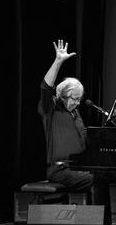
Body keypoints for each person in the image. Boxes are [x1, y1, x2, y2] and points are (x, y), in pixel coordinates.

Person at [38, 39, 98, 202]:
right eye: (75, 99)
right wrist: (58, 61)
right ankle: (97, 221)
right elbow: (45, 87)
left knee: (104, 176)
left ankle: (105, 221)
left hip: (78, 168)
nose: (78, 103)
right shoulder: (50, 109)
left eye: (79, 99)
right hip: (60, 170)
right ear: (63, 95)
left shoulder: (76, 113)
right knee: (97, 180)